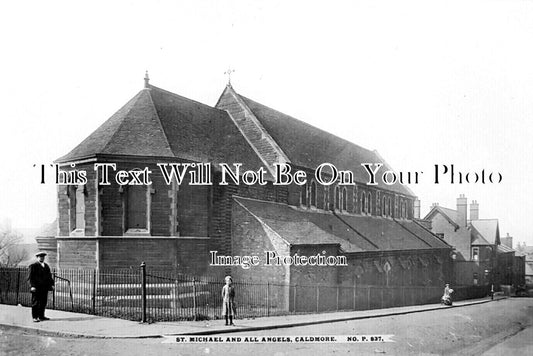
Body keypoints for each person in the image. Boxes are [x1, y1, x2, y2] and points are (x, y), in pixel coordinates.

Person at [27, 252, 54, 322]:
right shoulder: (33, 266)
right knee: (35, 302)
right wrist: (32, 286)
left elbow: (49, 277)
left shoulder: (46, 266)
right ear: (37, 258)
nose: (42, 258)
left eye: (43, 257)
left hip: (44, 287)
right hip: (36, 288)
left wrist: (51, 285)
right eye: (40, 257)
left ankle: (41, 316)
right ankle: (35, 317)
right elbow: (30, 277)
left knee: (43, 302)